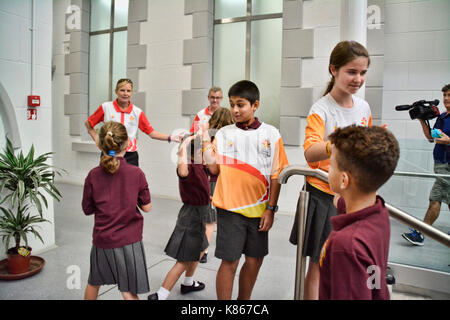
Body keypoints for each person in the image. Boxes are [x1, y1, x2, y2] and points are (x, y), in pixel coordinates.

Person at [289, 40, 373, 300]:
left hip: (353, 197)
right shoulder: (322, 109)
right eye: (351, 71)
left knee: (345, 262)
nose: (357, 79)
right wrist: (336, 145)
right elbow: (310, 152)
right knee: (318, 263)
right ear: (333, 70)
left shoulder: (363, 108)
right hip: (324, 195)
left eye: (362, 73)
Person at [202, 80, 289, 300]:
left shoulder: (271, 134)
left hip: (260, 210)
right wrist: (205, 138)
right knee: (229, 261)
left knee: (254, 260)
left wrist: (271, 209)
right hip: (230, 209)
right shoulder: (223, 134)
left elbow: (277, 175)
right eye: (232, 104)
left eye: (240, 104)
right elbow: (212, 167)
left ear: (255, 105)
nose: (234, 110)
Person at [319, 125, 400, 300]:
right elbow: (340, 200)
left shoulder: (345, 245)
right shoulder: (379, 211)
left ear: (343, 180)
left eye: (331, 165)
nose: (328, 170)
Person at [82, 121, 152, 300]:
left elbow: (87, 209)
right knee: (127, 290)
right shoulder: (137, 173)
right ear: (128, 143)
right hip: (128, 240)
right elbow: (147, 207)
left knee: (94, 282)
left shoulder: (93, 175)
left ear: (101, 144)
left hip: (102, 239)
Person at [147, 134, 210, 300]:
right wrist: (186, 144)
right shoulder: (187, 167)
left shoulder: (200, 166)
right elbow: (182, 168)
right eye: (204, 152)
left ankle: (188, 283)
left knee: (200, 250)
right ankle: (162, 293)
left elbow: (201, 187)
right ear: (195, 153)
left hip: (201, 214)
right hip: (191, 216)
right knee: (184, 259)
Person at [85, 78, 179, 166]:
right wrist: (99, 142)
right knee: (107, 182)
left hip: (130, 155)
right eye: (122, 90)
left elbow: (151, 133)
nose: (125, 93)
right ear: (116, 91)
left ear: (132, 92)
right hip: (110, 152)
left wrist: (170, 137)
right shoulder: (105, 107)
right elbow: (88, 124)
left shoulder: (137, 112)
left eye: (128, 91)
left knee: (131, 182)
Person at [402, 84, 450, 245]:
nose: (446, 99)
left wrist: (448, 140)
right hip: (440, 162)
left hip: (448, 166)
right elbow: (431, 137)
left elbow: (445, 140)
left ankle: (420, 234)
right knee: (448, 199)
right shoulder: (443, 117)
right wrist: (421, 119)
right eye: (444, 95)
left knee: (435, 198)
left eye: (449, 95)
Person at [199, 107, 235, 264]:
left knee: (207, 219)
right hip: (222, 182)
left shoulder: (207, 139)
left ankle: (202, 249)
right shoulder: (229, 140)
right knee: (218, 220)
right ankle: (210, 250)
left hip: (208, 181)